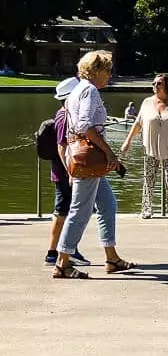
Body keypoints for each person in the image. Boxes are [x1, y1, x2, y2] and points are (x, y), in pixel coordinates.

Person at [54, 51, 135, 279]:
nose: (110, 75)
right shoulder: (89, 90)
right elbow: (84, 126)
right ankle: (62, 263)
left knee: (107, 204)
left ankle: (111, 257)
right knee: (80, 210)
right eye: (108, 70)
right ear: (96, 70)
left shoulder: (78, 89)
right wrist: (109, 152)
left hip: (87, 159)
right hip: (89, 159)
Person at [120, 74, 168, 219]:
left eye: (159, 83)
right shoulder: (146, 103)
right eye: (154, 83)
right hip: (150, 148)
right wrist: (128, 141)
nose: (155, 86)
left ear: (166, 86)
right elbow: (138, 123)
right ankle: (146, 210)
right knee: (149, 180)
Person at [43, 77, 90, 267]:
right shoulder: (63, 116)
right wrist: (70, 171)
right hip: (65, 173)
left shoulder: (69, 113)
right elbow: (62, 147)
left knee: (72, 211)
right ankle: (53, 253)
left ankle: (69, 249)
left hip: (69, 171)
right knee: (62, 211)